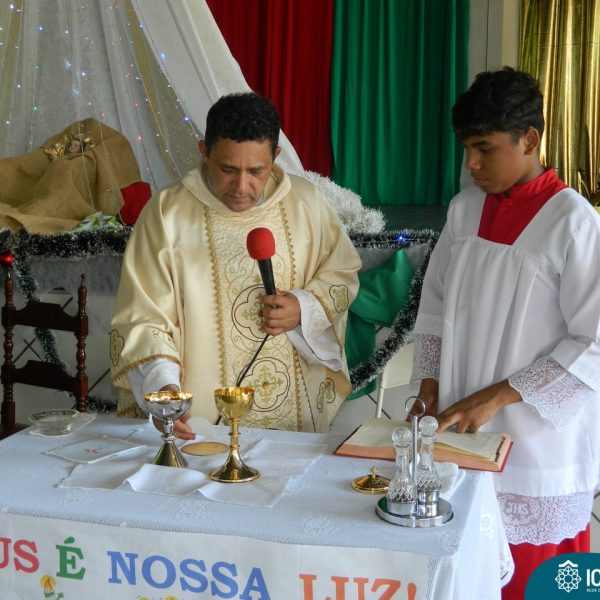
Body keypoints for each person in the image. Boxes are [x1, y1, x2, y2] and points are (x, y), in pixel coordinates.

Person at [411, 67, 600, 598]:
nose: (471, 164)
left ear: (530, 140)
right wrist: (429, 386)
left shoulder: (574, 222)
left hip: (535, 442)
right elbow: (435, 306)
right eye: (466, 149)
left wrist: (496, 396)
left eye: (485, 149)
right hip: (462, 431)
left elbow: (594, 342)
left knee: (535, 581)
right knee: (463, 569)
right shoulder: (464, 210)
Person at [110, 92, 361, 437]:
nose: (242, 186)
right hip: (199, 418)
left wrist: (303, 307)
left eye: (256, 171)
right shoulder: (168, 214)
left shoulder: (306, 204)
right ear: (204, 151)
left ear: (275, 156)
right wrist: (164, 389)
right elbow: (144, 316)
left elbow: (342, 273)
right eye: (227, 169)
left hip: (293, 419)